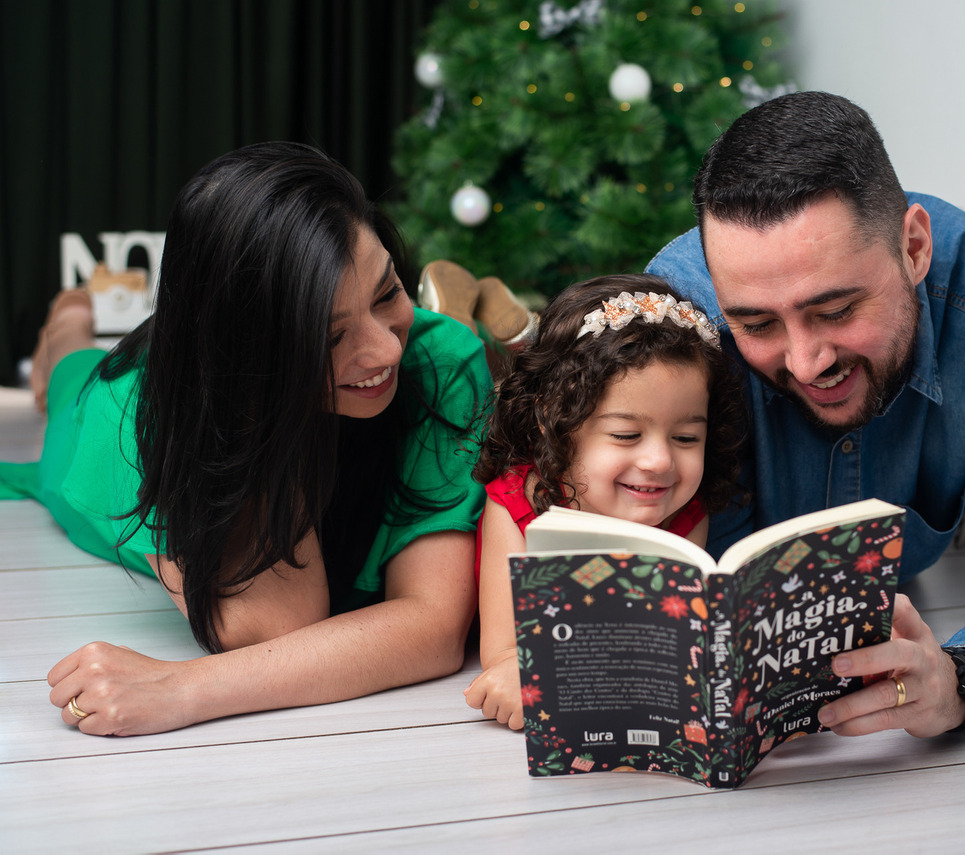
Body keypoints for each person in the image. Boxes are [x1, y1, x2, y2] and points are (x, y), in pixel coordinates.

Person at [646, 91, 965, 738]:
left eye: (836, 311)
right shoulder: (676, 328)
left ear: (915, 247)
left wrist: (962, 678)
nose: (807, 362)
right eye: (756, 324)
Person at [0, 142, 490, 736]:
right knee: (75, 379)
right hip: (104, 408)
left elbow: (433, 628)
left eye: (387, 294)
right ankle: (67, 331)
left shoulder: (438, 358)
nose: (388, 349)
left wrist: (180, 688)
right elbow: (281, 628)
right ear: (243, 360)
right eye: (330, 337)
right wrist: (272, 413)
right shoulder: (129, 413)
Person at [463, 274, 745, 729]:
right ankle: (478, 317)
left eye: (686, 437)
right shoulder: (518, 504)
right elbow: (503, 653)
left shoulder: (685, 511)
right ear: (555, 422)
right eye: (626, 435)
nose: (659, 461)